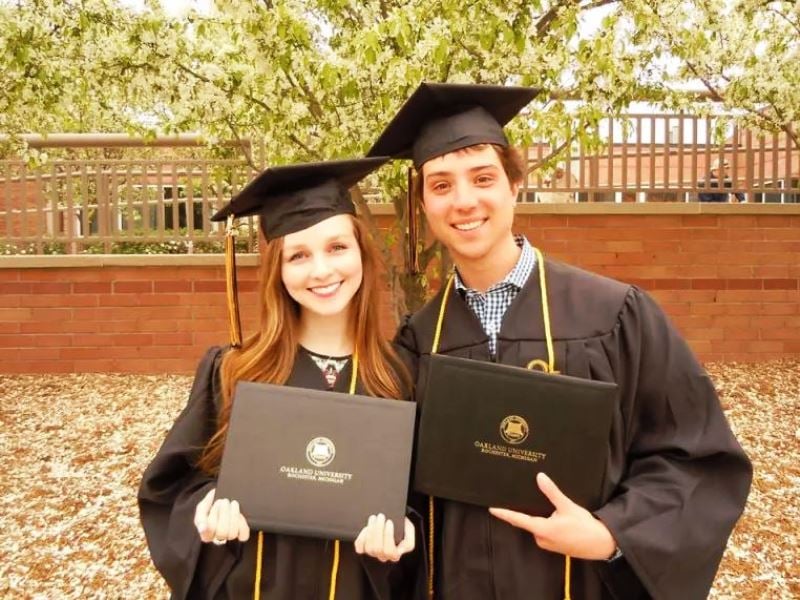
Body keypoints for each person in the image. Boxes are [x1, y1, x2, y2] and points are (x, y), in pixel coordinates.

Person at [369, 82, 752, 599]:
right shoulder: (418, 340)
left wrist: (613, 533)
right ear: (424, 205)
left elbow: (697, 458)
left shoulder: (615, 316)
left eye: (483, 178)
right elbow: (399, 491)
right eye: (440, 185)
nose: (464, 201)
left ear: (514, 187)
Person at [138, 158, 424, 600]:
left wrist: (404, 533)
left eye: (336, 248)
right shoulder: (235, 371)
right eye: (299, 255)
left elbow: (423, 508)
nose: (322, 271)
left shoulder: (399, 377)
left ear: (362, 254)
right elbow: (171, 487)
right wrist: (206, 509)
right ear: (278, 270)